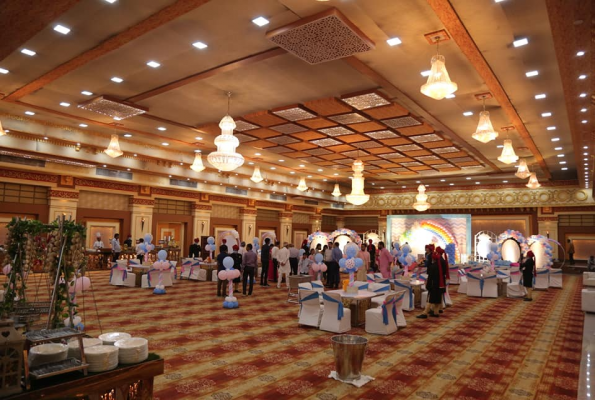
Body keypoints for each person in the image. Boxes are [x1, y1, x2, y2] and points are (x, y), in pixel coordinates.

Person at [417, 247, 445, 319]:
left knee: (430, 299)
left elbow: (430, 278)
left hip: (433, 285)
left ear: (433, 259)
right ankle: (436, 312)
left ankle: (425, 313)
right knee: (437, 299)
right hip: (440, 284)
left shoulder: (433, 267)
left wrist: (428, 286)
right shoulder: (441, 264)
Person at [435, 246, 450, 313]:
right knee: (440, 294)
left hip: (439, 279)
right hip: (442, 278)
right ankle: (440, 307)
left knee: (438, 293)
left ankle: (438, 308)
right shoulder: (443, 260)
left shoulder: (440, 261)